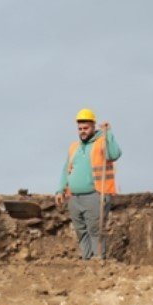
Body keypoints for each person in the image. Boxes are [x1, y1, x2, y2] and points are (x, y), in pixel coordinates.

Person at [57, 108, 121, 261]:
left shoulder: (101, 142)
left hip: (95, 194)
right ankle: (87, 261)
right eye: (80, 129)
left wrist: (109, 134)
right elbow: (66, 168)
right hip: (74, 197)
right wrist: (60, 189)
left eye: (86, 128)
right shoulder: (74, 147)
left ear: (93, 126)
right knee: (81, 231)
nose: (82, 131)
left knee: (95, 230)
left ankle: (98, 260)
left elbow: (114, 154)